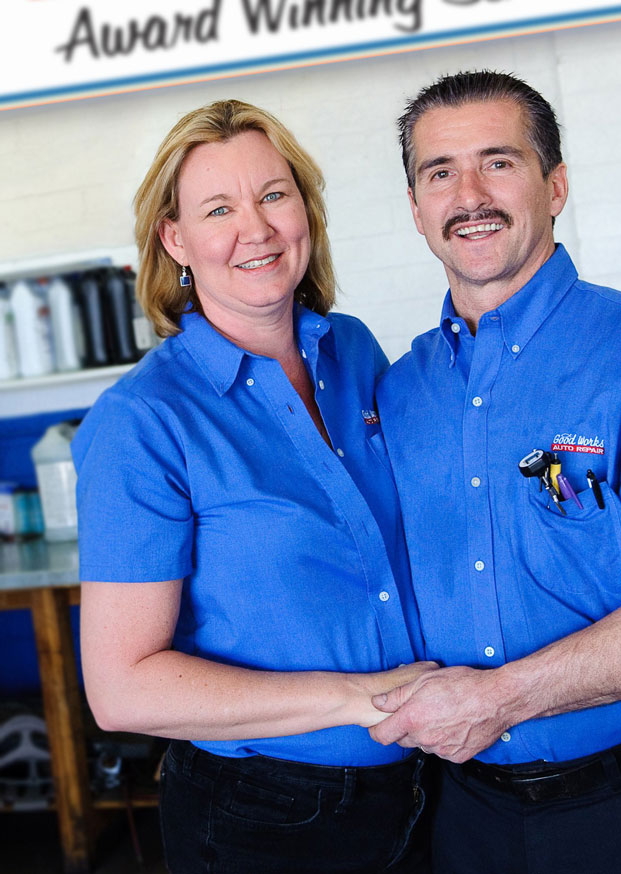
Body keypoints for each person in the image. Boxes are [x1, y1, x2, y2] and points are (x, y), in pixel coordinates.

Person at [369, 71, 621, 874]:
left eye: (499, 162)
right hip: (470, 821)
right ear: (417, 209)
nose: (470, 195)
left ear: (554, 185)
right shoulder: (401, 392)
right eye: (439, 172)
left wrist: (498, 699)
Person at [73, 99, 438, 874]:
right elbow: (122, 689)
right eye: (218, 208)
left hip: (422, 784)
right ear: (176, 239)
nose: (258, 228)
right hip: (264, 814)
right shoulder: (143, 421)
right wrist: (355, 698)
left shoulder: (352, 352)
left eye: (275, 194)